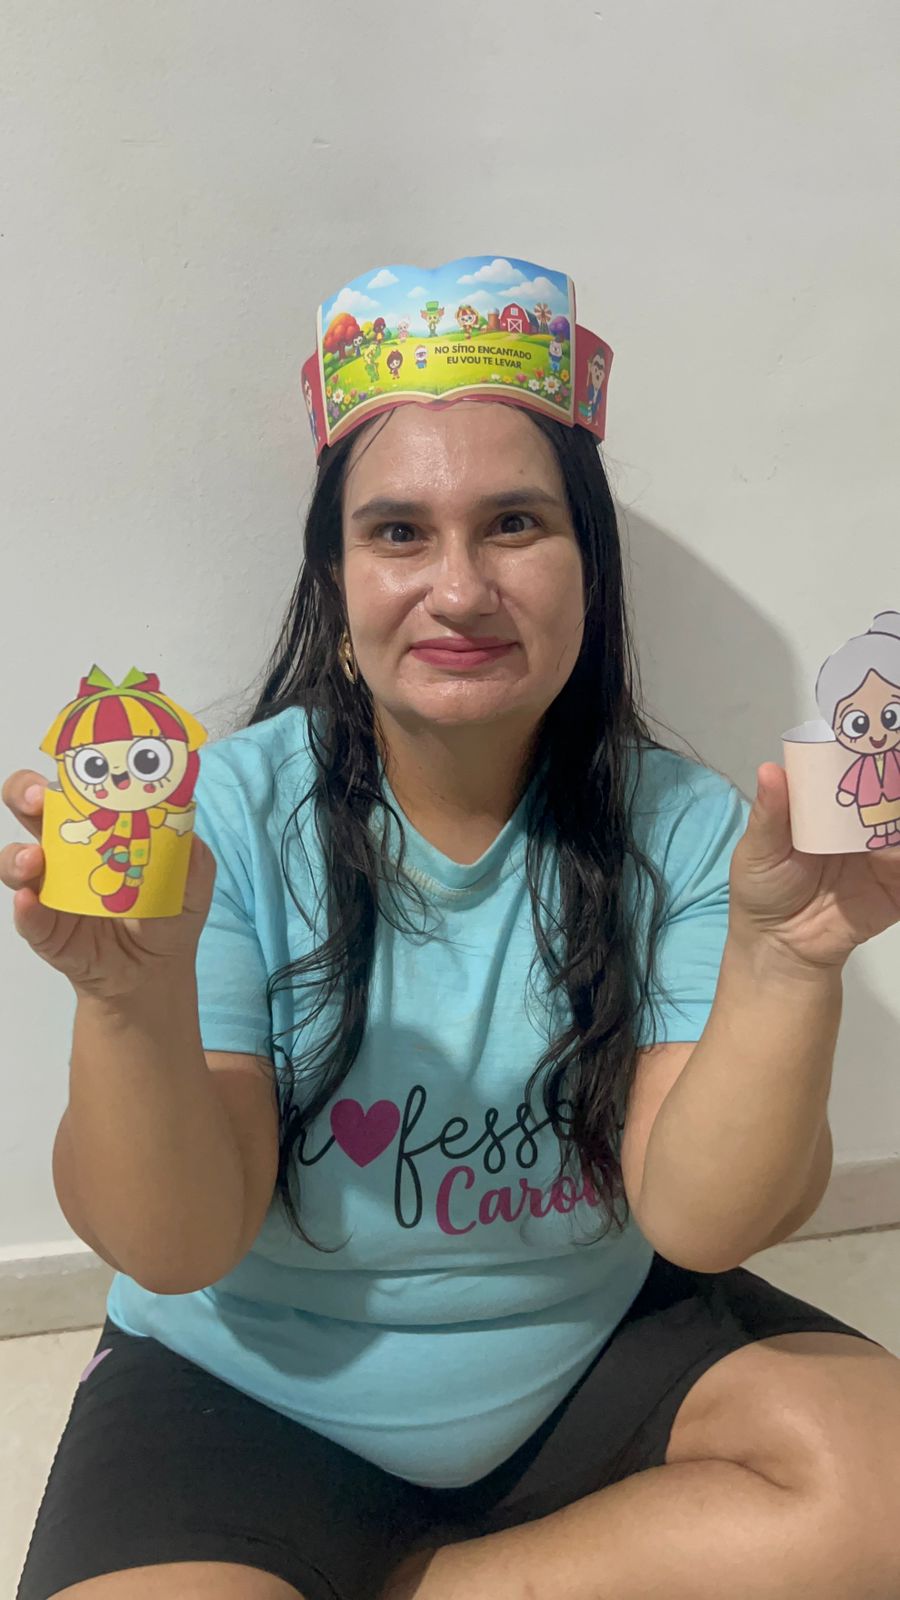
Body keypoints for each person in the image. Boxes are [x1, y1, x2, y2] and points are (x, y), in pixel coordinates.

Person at [7, 346, 900, 1600]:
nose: (461, 588)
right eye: (399, 532)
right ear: (336, 576)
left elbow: (704, 1222)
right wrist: (126, 1001)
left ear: (588, 564)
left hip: (586, 1346)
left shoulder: (690, 826)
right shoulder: (222, 819)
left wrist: (789, 962)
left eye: (515, 524)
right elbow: (174, 1242)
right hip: (251, 1386)